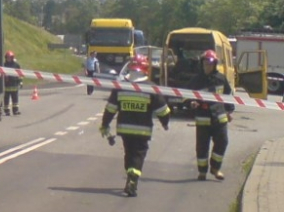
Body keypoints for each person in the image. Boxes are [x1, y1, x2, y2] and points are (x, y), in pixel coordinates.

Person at [99, 61, 170, 197]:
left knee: (129, 153)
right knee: (138, 155)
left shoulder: (121, 87)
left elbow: (110, 109)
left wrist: (105, 124)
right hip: (142, 130)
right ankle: (132, 181)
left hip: (125, 130)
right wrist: (165, 123)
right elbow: (163, 110)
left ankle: (130, 177)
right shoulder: (150, 88)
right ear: (146, 69)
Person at [187, 49, 234, 181]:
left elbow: (228, 96)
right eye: (205, 63)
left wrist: (229, 111)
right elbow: (185, 96)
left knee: (222, 142)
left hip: (219, 117)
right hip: (203, 119)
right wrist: (192, 102)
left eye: (210, 64)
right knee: (202, 147)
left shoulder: (221, 78)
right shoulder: (196, 80)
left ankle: (215, 168)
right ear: (202, 64)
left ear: (214, 64)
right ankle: (202, 171)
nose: (207, 66)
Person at [3, 50, 22, 116]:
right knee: (6, 99)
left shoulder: (16, 65)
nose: (9, 59)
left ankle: (15, 111)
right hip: (7, 85)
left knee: (15, 99)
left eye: (10, 57)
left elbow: (20, 75)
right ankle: (7, 111)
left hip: (14, 85)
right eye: (8, 57)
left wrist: (20, 82)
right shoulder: (4, 65)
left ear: (12, 58)